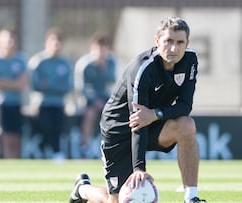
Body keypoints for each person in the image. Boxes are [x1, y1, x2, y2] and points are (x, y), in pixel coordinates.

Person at [69, 17, 207, 203]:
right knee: (115, 201)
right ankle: (82, 189)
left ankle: (191, 197)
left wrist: (155, 114)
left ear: (187, 43)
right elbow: (138, 121)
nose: (174, 48)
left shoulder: (190, 60)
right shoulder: (143, 68)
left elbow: (185, 106)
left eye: (180, 42)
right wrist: (139, 169)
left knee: (186, 125)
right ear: (157, 41)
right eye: (169, 41)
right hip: (119, 129)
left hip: (152, 122)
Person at [0, 29, 29, 159]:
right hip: (0, 105)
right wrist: (14, 83)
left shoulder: (21, 59)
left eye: (12, 39)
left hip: (16, 104)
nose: (10, 43)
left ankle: (16, 166)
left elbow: (23, 83)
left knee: (16, 137)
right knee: (4, 137)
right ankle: (5, 164)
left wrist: (3, 82)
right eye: (7, 40)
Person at [28, 28, 73, 159]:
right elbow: (35, 84)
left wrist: (49, 84)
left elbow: (68, 86)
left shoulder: (65, 63)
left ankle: (56, 153)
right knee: (45, 130)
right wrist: (55, 85)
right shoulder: (39, 61)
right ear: (46, 43)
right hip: (42, 104)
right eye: (53, 41)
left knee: (58, 130)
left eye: (59, 41)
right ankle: (43, 151)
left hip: (59, 103)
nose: (56, 44)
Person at [74, 33, 116, 158]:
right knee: (89, 115)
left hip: (106, 99)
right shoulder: (85, 64)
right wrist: (95, 100)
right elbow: (81, 88)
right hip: (89, 100)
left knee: (116, 116)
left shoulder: (111, 62)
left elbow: (113, 81)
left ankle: (113, 147)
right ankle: (84, 148)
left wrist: (103, 68)